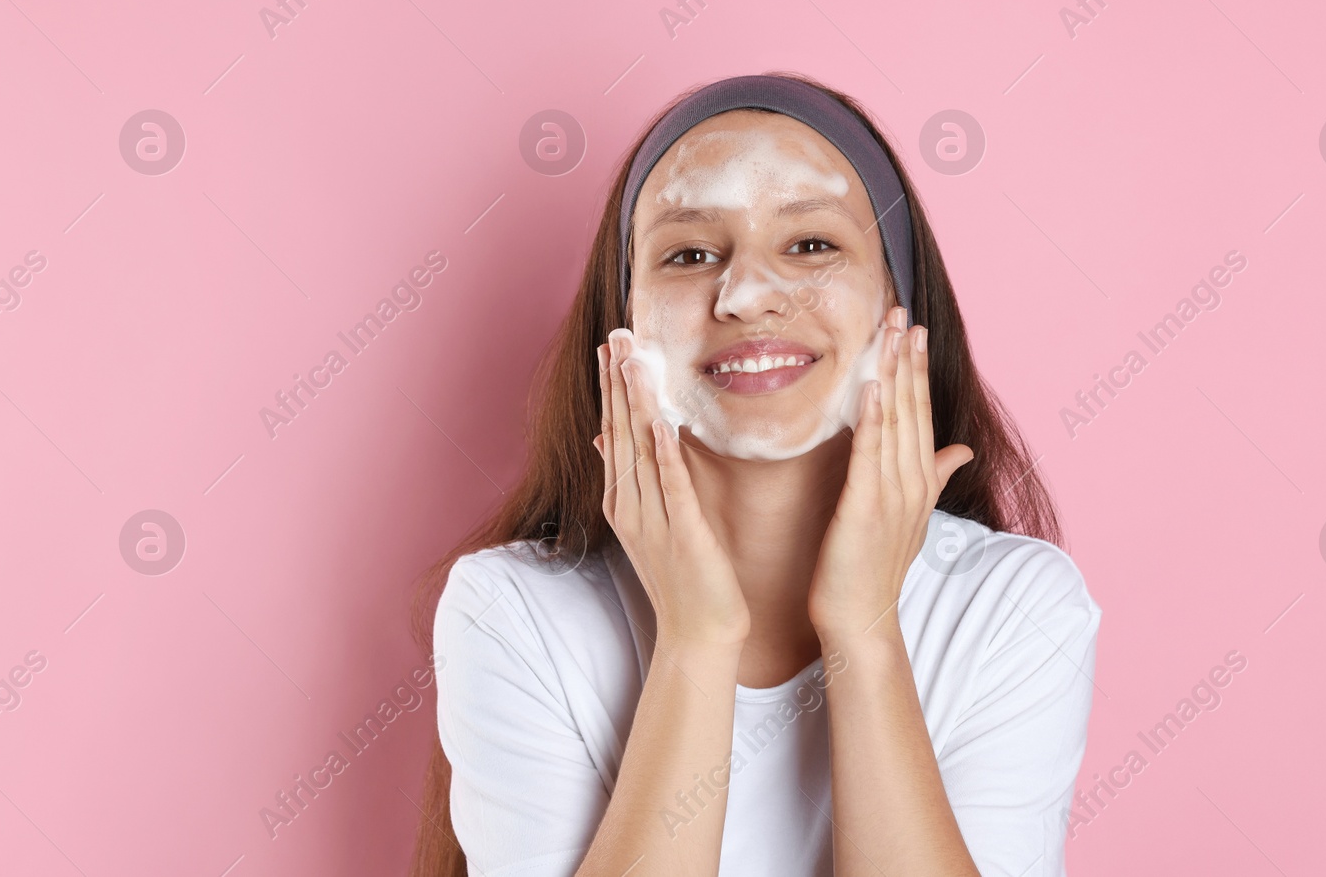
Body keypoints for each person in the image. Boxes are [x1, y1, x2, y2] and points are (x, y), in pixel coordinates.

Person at [408, 72, 1100, 876]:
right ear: (623, 324)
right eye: (691, 253)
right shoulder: (511, 613)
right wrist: (696, 642)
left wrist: (865, 632)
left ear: (897, 304)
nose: (747, 294)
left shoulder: (1016, 607)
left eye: (811, 244)